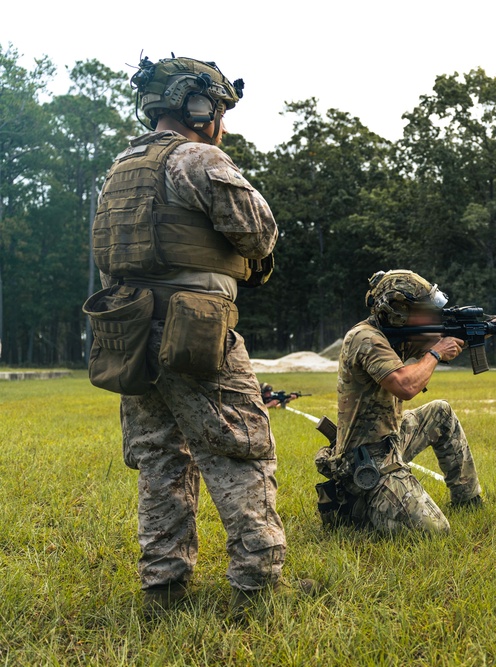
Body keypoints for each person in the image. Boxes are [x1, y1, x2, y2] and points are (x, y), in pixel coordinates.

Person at [88, 55, 297, 619]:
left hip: (129, 332)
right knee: (241, 449)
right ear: (198, 106)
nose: (222, 120)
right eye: (220, 108)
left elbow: (110, 258)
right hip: (194, 329)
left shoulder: (119, 169)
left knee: (160, 461)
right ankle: (258, 588)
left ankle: (164, 589)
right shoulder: (198, 158)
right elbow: (259, 235)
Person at [314, 270, 496, 535]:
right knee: (434, 530)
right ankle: (358, 506)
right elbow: (405, 385)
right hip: (366, 458)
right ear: (397, 310)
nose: (430, 316)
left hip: (391, 439)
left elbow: (452, 338)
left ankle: (468, 501)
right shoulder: (365, 339)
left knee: (441, 412)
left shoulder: (396, 335)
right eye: (421, 309)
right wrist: (437, 352)